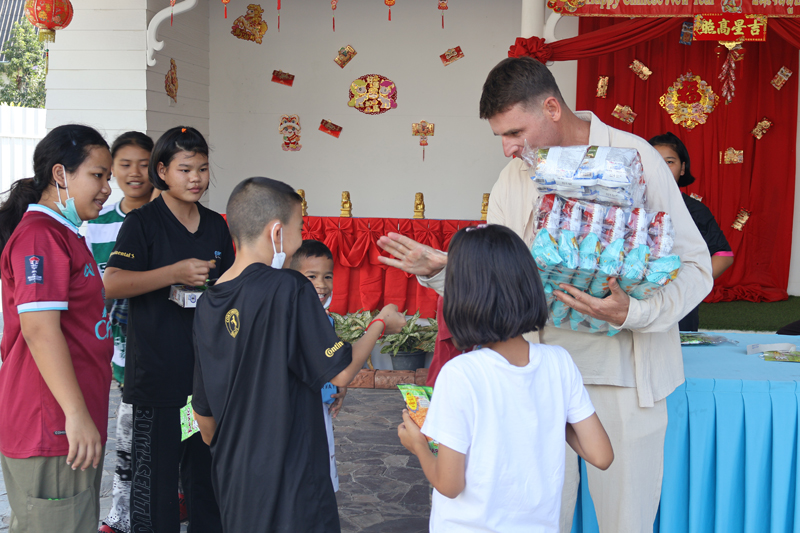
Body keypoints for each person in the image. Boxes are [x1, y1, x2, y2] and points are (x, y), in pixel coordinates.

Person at [378, 56, 713, 533]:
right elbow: (500, 281)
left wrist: (633, 311)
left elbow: (697, 268)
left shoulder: (636, 156)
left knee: (627, 523)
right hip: (532, 379)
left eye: (515, 132)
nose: (508, 148)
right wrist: (443, 272)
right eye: (500, 136)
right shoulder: (513, 178)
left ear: (552, 108)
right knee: (534, 521)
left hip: (625, 377)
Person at [190, 177, 406, 532]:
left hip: (235, 480)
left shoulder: (207, 302)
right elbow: (339, 373)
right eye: (300, 229)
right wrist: (380, 323)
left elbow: (204, 418)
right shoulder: (289, 288)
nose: (299, 239)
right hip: (292, 482)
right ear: (277, 232)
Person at [397, 224, 613, 532]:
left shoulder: (461, 373)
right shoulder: (559, 363)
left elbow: (450, 484)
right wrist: (543, 411)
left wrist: (417, 445)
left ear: (461, 296)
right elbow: (601, 455)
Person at [103, 126, 232, 533]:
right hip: (158, 378)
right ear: (162, 171)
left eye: (203, 169)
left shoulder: (215, 225)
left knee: (204, 477)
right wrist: (173, 273)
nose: (196, 179)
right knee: (155, 483)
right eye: (185, 169)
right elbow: (112, 283)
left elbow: (232, 285)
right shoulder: (143, 223)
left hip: (204, 380)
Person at [0, 124, 114, 532]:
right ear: (61, 174)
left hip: (67, 419)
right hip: (51, 423)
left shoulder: (63, 233)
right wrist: (75, 414)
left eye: (108, 178)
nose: (107, 189)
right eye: (98, 175)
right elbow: (39, 330)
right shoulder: (40, 238)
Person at [86, 131, 154, 533]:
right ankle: (121, 514)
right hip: (122, 352)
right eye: (125, 164)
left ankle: (177, 491)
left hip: (169, 347)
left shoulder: (170, 218)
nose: (135, 173)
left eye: (144, 164)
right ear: (112, 169)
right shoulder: (96, 225)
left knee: (184, 426)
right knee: (128, 433)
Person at [649, 132, 734, 331]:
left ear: (682, 168)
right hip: (636, 301)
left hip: (678, 304)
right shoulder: (630, 204)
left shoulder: (694, 210)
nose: (662, 168)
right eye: (655, 161)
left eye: (669, 162)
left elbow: (723, 255)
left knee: (680, 348)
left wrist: (689, 287)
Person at [289, 239, 347, 491]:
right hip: (302, 410)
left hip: (322, 405)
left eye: (327, 276)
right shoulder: (292, 319)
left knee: (324, 461)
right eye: (311, 276)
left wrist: (338, 387)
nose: (321, 284)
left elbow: (331, 364)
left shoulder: (327, 319)